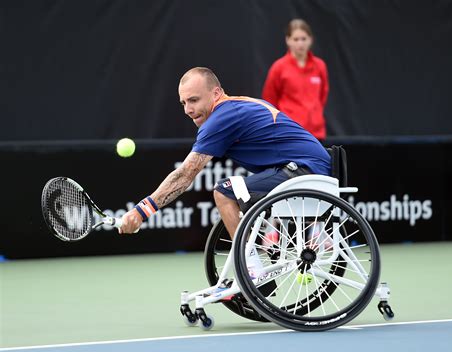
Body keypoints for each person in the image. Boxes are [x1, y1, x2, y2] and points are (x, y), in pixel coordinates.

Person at [119, 67, 331, 246]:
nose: (188, 110)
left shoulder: (222, 117)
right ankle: (249, 265)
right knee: (235, 191)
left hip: (306, 171)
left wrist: (141, 212)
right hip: (307, 169)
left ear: (216, 93)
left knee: (224, 192)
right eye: (183, 103)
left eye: (193, 100)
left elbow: (185, 175)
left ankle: (250, 270)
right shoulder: (235, 107)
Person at [262, 19, 329, 140]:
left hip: (316, 133)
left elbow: (322, 96)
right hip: (290, 132)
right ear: (288, 40)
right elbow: (269, 100)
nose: (300, 44)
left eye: (304, 39)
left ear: (311, 40)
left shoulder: (320, 66)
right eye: (296, 39)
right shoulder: (279, 67)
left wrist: (315, 114)